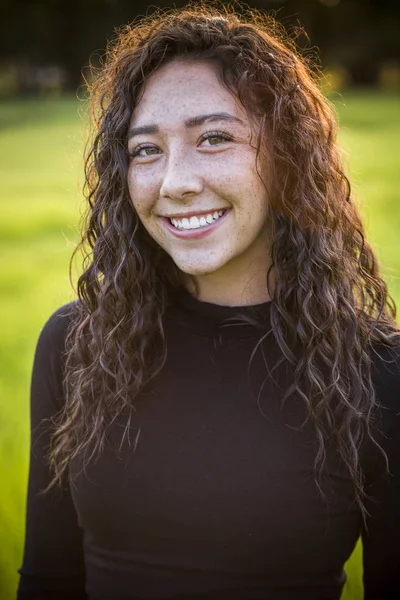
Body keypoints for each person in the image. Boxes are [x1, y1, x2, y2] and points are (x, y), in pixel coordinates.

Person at [16, 2, 400, 599]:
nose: (174, 182)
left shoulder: (380, 375)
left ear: (287, 155)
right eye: (147, 149)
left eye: (214, 138)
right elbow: (48, 579)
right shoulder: (75, 344)